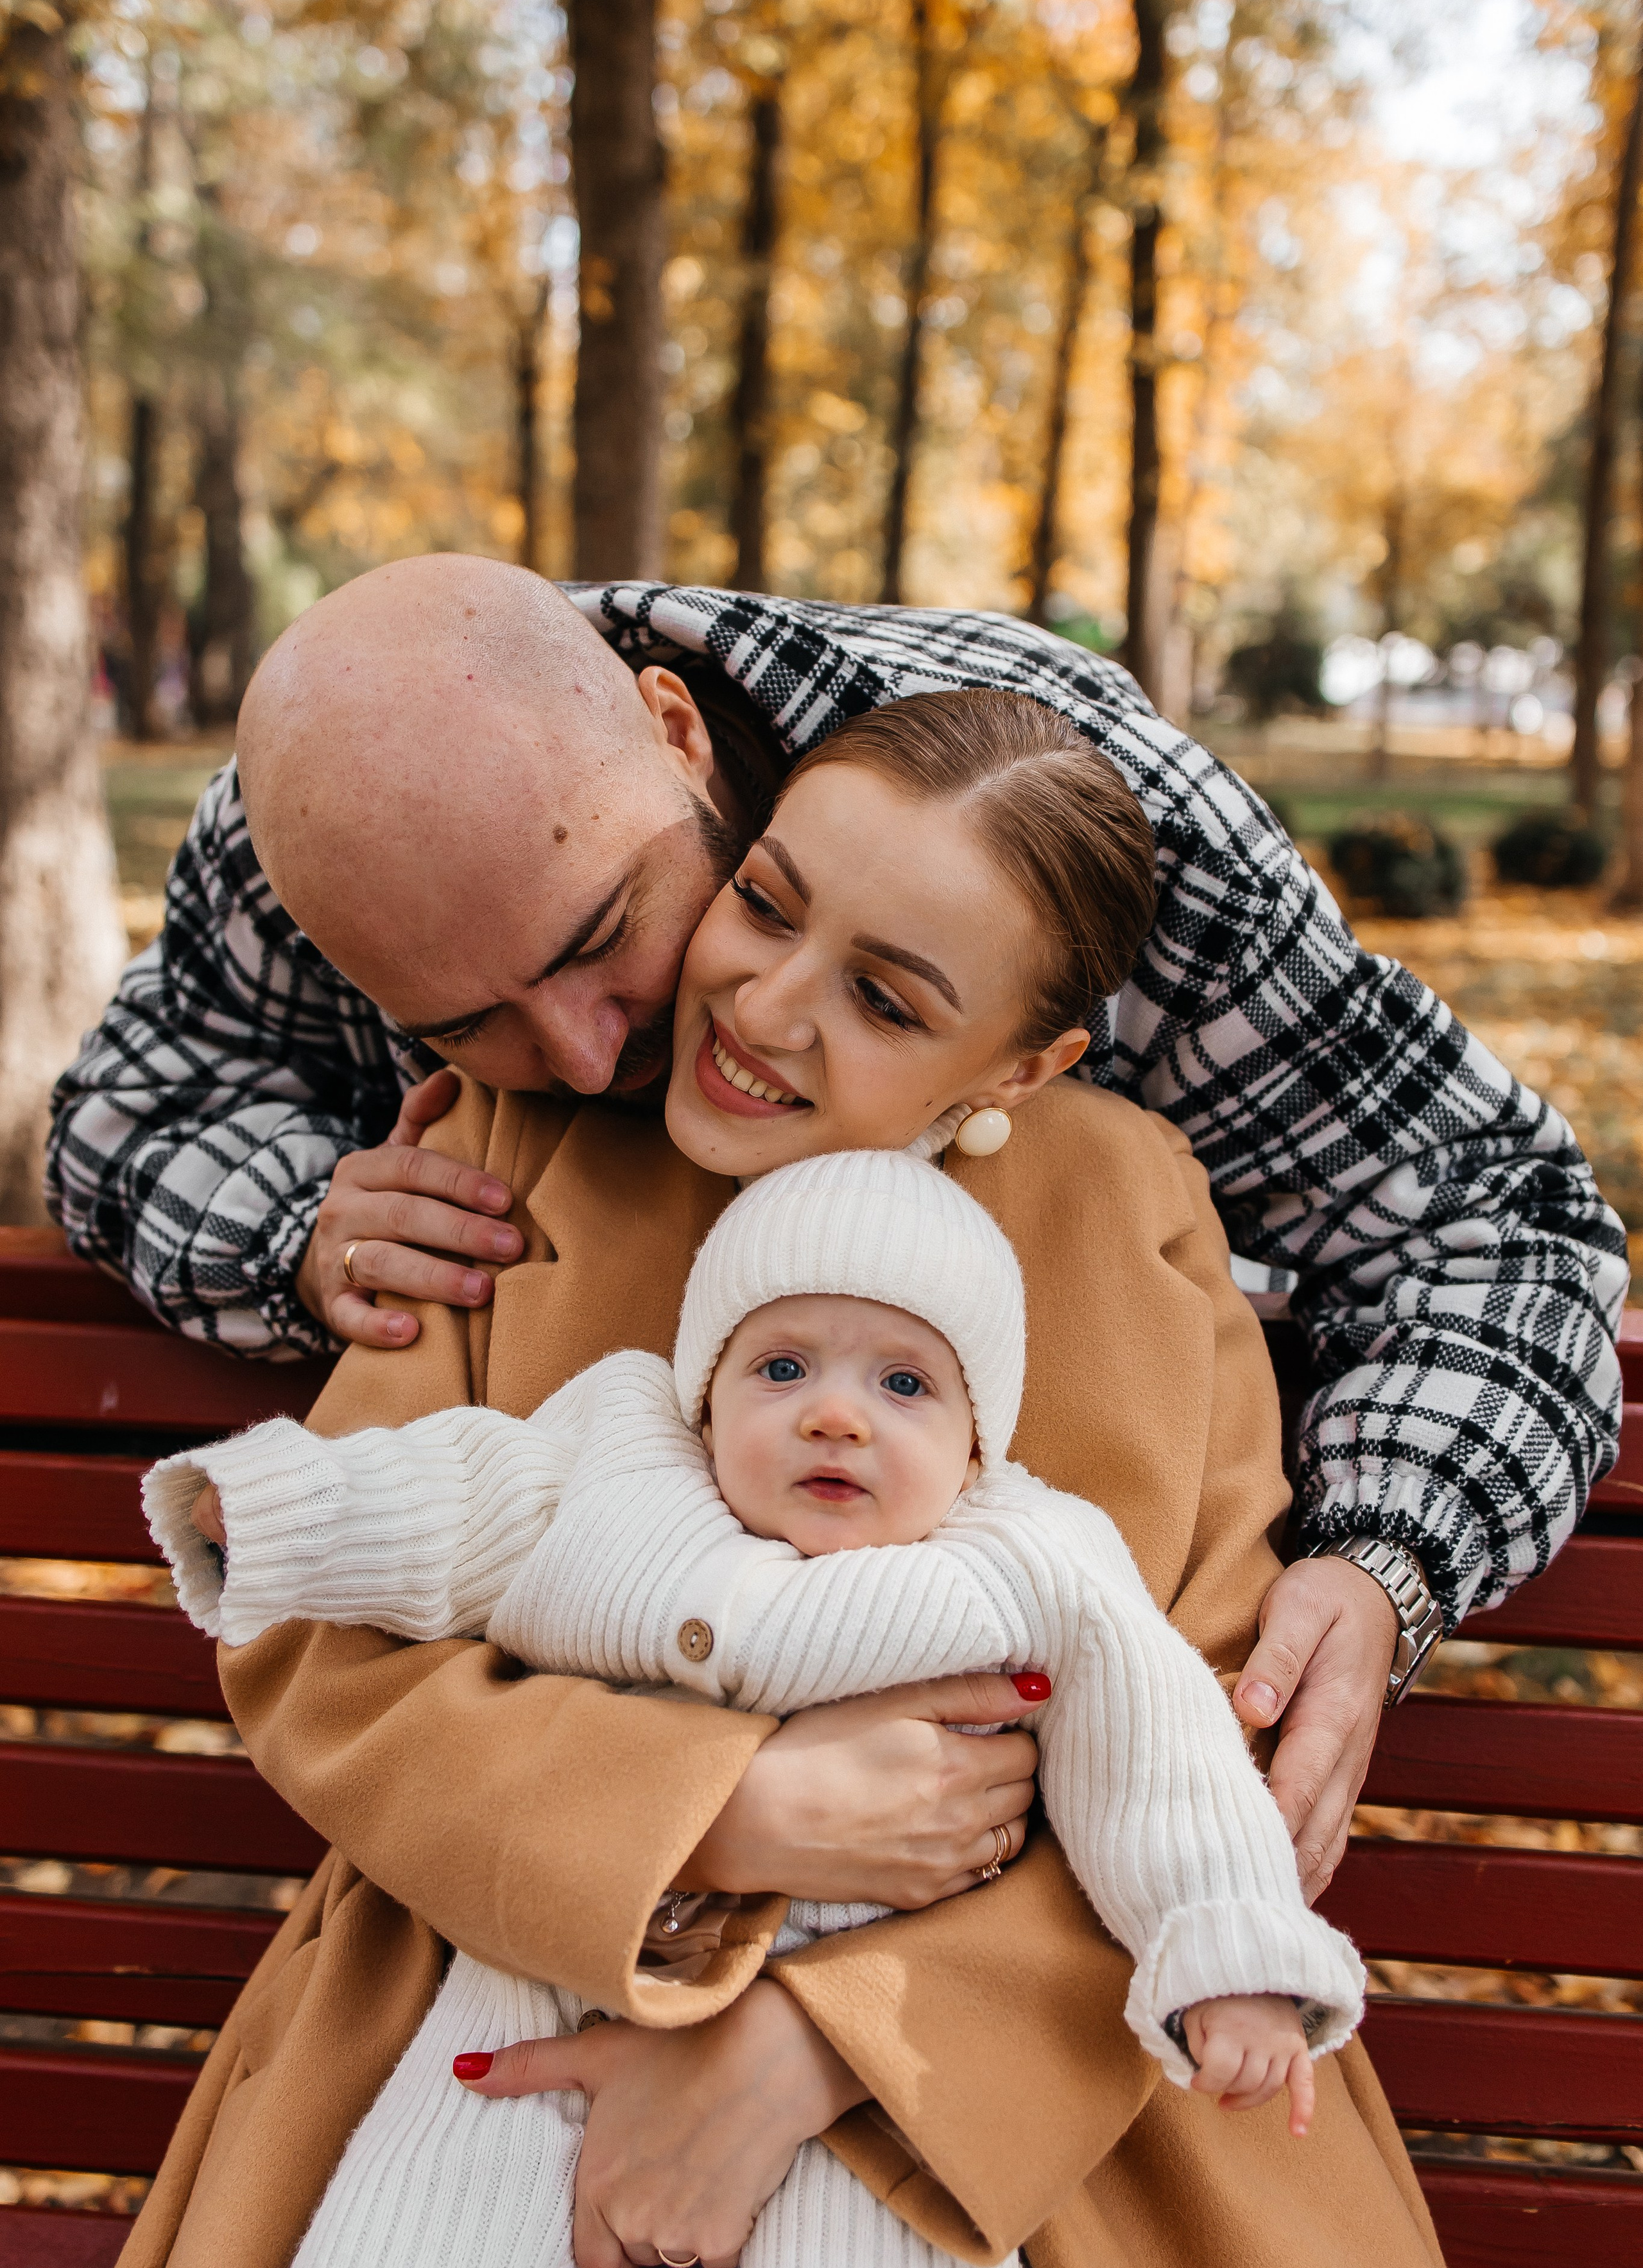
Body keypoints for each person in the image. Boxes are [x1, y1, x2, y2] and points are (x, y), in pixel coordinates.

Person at [60, 691, 1490, 2268]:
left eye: (890, 998)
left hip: (1038, 2131)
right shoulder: (513, 1144)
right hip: (518, 2031)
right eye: (764, 901)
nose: (766, 1006)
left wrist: (821, 2047)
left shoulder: (1126, 1214)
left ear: (1021, 1067)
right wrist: (710, 1816)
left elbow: (1197, 1739)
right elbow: (331, 1654)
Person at [46, 560, 1627, 1916]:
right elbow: (124, 1111)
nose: (594, 1061)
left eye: (605, 937)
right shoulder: (310, 825)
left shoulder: (1098, 833)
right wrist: (298, 1223)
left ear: (674, 733)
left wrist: (1381, 1559)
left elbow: (1500, 1218)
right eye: (463, 1024)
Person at [145, 1181, 1361, 2268]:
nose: (837, 1415)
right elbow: (449, 1494)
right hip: (559, 1982)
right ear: (705, 1394)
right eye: (781, 1369)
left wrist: (1232, 1958)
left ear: (977, 1440)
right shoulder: (617, 1466)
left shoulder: (1034, 1555)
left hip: (873, 2056)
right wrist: (276, 1512)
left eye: (904, 1383)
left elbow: (1166, 1765)